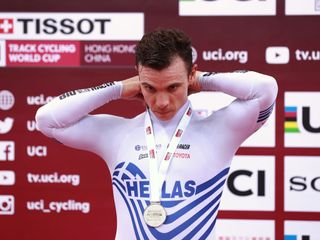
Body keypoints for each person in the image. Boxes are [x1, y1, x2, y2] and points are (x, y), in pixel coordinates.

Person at [36, 28, 278, 239]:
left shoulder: (221, 130)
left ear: (191, 75)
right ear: (138, 78)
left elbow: (266, 89)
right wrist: (118, 88)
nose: (161, 101)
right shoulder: (118, 135)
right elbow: (47, 120)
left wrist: (201, 81)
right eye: (149, 87)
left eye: (173, 87)